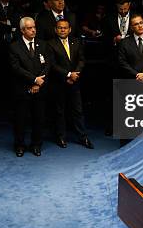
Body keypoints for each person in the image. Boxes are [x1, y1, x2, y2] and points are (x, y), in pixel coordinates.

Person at [9, 17, 52, 157]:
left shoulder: (43, 44)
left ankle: (36, 145)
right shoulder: (14, 46)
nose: (33, 30)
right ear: (22, 30)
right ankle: (20, 145)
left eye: (34, 27)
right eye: (29, 28)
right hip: (22, 88)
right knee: (20, 119)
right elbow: (16, 68)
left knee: (39, 118)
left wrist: (38, 82)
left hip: (40, 88)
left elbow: (47, 65)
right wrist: (33, 80)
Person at [47, 19, 93, 149]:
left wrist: (75, 74)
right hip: (58, 83)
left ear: (70, 29)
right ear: (56, 30)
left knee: (78, 111)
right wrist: (68, 75)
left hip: (75, 82)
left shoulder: (77, 42)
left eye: (65, 28)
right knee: (59, 111)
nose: (62, 30)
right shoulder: (50, 44)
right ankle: (61, 137)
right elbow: (52, 64)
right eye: (60, 28)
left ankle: (83, 137)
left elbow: (82, 60)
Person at [117, 14, 143, 82]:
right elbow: (122, 62)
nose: (140, 26)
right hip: (131, 80)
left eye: (141, 23)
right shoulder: (125, 42)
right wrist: (137, 74)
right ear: (131, 27)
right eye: (136, 24)